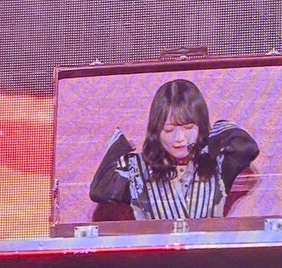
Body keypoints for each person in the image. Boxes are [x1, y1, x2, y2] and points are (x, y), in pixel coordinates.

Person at [90, 80, 259, 221]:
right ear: (156, 130)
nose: (179, 138)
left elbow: (247, 148)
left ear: (200, 126)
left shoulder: (216, 163)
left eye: (188, 128)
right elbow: (99, 190)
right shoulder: (137, 169)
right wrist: (121, 145)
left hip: (205, 250)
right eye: (169, 130)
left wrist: (214, 133)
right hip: (157, 251)